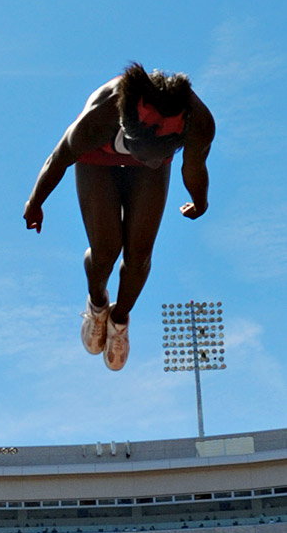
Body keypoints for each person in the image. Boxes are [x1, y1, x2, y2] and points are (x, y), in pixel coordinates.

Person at [23, 63, 215, 371]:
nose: (153, 163)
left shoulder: (197, 121)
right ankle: (97, 303)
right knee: (106, 250)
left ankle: (120, 318)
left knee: (139, 254)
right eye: (146, 156)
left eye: (162, 156)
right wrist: (35, 202)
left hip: (145, 165)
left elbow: (194, 168)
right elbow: (57, 160)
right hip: (96, 159)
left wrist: (200, 201)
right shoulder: (100, 117)